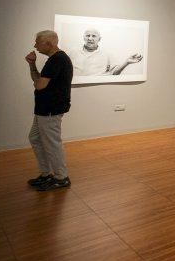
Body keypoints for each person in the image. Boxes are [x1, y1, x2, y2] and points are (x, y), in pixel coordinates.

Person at [25, 30, 74, 191]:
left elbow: (39, 84)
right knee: (35, 138)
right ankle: (46, 174)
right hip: (44, 108)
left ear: (48, 43)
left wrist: (37, 81)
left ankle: (61, 177)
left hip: (51, 109)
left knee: (52, 143)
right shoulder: (54, 59)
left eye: (37, 42)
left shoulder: (57, 60)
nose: (35, 46)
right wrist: (32, 64)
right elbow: (39, 81)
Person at [70, 28, 143, 76]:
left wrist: (126, 63)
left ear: (99, 39)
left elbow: (114, 73)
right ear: (84, 38)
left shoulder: (106, 54)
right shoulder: (72, 53)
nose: (90, 38)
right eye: (88, 35)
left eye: (93, 36)